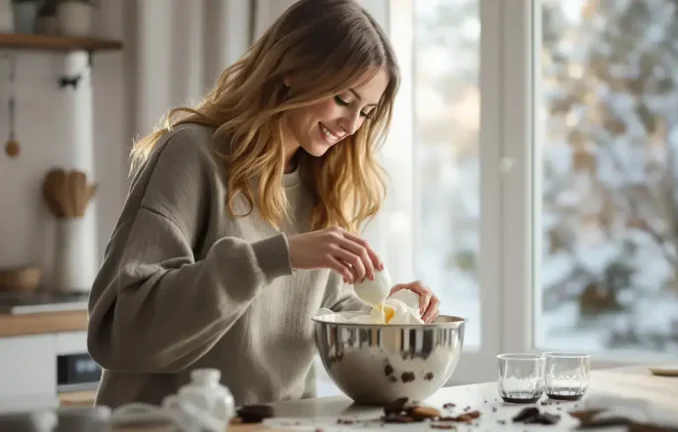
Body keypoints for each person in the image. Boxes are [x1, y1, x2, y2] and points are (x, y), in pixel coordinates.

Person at [86, 0, 441, 409]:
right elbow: (122, 329)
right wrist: (274, 257)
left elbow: (320, 311)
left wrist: (388, 310)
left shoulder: (324, 183)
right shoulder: (191, 154)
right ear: (291, 69)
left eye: (366, 112)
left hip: (277, 422)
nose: (351, 126)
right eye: (343, 99)